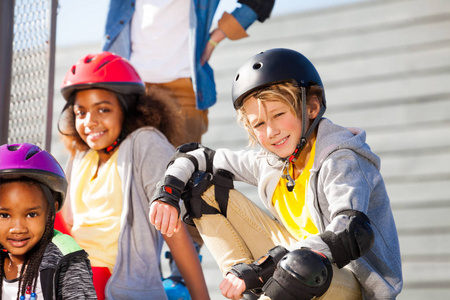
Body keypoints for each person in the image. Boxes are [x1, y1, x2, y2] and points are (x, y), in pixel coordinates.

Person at [149, 48, 403, 299]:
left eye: (278, 114)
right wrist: (167, 193)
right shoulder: (272, 161)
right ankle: (246, 292)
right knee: (201, 188)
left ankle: (257, 281)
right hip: (290, 266)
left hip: (349, 283)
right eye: (259, 123)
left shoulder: (340, 160)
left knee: (300, 264)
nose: (270, 132)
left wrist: (262, 269)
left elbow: (349, 233)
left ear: (312, 107)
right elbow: (195, 156)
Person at [57, 51, 210, 300]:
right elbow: (66, 227)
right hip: (70, 273)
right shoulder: (81, 156)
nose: (89, 122)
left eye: (103, 109)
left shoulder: (144, 143)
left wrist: (202, 298)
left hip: (111, 282)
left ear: (128, 110)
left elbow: (174, 231)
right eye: (80, 112)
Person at [103, 0, 275, 146]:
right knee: (130, 175)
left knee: (181, 176)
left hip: (184, 88)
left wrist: (215, 39)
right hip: (132, 89)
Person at [0, 142, 97, 300]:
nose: (17, 228)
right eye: (4, 215)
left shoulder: (66, 260)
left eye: (31, 214)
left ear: (51, 212)